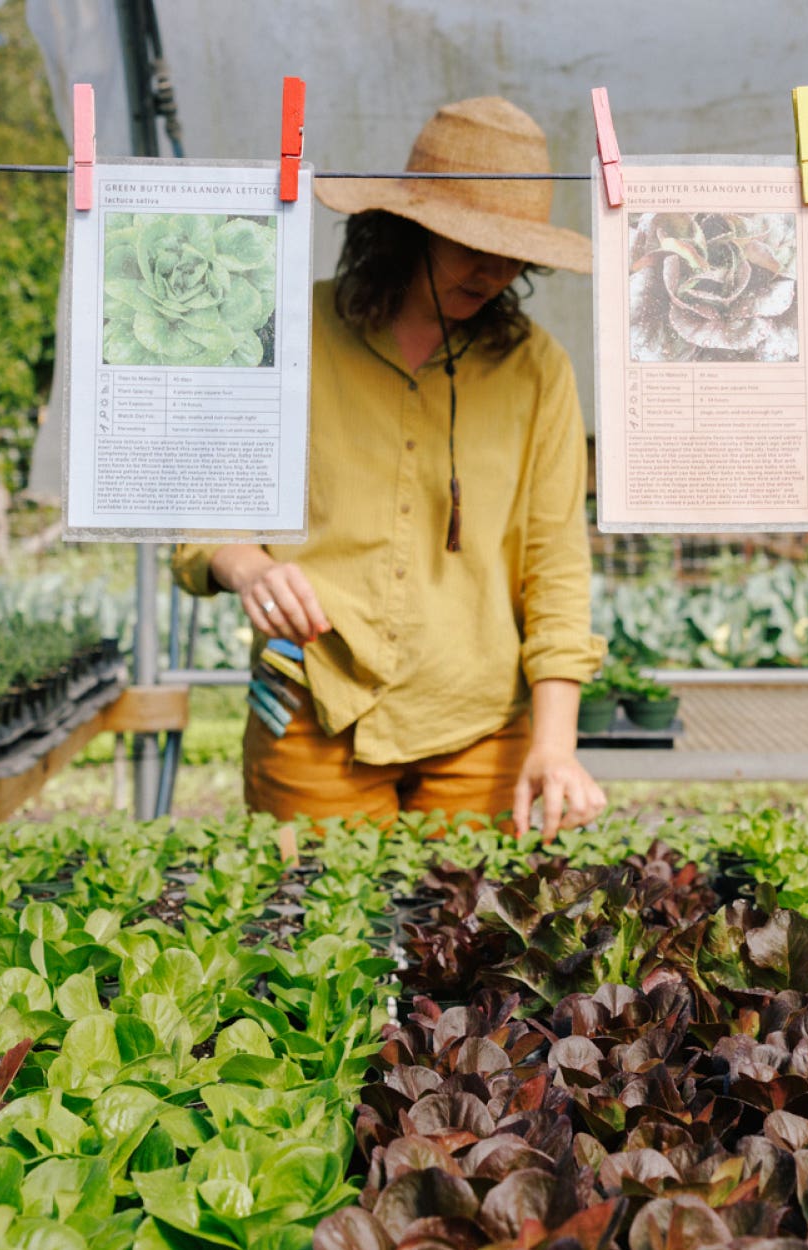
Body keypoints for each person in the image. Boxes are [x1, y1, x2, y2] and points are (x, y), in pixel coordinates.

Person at [174, 96, 607, 838]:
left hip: (478, 724)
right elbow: (204, 511)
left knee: (469, 946)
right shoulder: (286, 333)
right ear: (407, 227)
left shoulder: (538, 371)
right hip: (313, 709)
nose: (496, 267)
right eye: (470, 241)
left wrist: (556, 745)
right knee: (313, 943)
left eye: (512, 248)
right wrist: (246, 566)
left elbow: (556, 562)